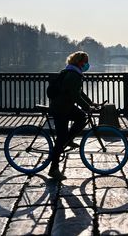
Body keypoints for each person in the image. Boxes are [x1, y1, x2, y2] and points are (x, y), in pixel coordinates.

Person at [48, 51, 97, 180]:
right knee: (61, 138)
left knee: (81, 117)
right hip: (60, 108)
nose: (87, 64)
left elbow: (79, 93)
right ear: (79, 62)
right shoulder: (73, 75)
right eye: (85, 61)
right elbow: (75, 96)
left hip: (65, 106)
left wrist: (91, 103)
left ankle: (68, 140)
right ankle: (53, 169)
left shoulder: (72, 72)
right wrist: (88, 107)